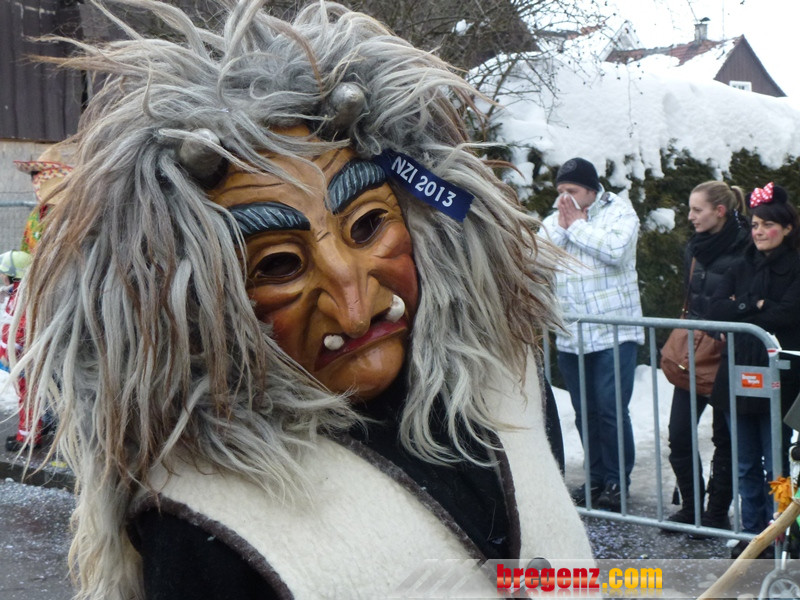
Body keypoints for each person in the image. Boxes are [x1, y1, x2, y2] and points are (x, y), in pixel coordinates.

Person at [17, 2, 593, 598]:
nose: (354, 308)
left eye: (368, 225)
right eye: (278, 265)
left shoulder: (507, 384)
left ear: (420, 220)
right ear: (203, 304)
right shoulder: (205, 519)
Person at [540, 157, 644, 512]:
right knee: (585, 413)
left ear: (590, 190)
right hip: (573, 336)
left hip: (614, 334)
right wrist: (564, 227)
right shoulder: (556, 220)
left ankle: (617, 482)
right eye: (560, 191)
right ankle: (596, 478)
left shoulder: (620, 212)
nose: (564, 199)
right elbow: (537, 259)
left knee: (610, 409)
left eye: (571, 190)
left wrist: (577, 227)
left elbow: (615, 252)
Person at [708, 182, 800, 557]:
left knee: (777, 464)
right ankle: (751, 534)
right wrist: (754, 306)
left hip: (781, 379)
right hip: (738, 375)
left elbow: (788, 313)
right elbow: (715, 308)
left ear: (787, 228)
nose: (759, 232)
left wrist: (742, 307)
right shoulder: (740, 263)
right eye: (756, 225)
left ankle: (779, 533)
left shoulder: (796, 266)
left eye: (767, 225)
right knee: (744, 462)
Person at [664, 181, 749, 531]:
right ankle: (691, 508)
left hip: (729, 353)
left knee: (724, 439)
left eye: (697, 210)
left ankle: (716, 513)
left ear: (720, 211)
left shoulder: (747, 246)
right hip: (694, 351)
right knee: (679, 434)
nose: (690, 216)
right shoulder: (695, 247)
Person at [0, 249, 34, 451]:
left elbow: (20, 327)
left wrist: (11, 352)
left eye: (4, 274)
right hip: (18, 356)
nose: (1, 278)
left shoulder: (22, 297)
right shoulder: (21, 292)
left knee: (27, 396)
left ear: (13, 276)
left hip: (20, 357)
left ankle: (27, 438)